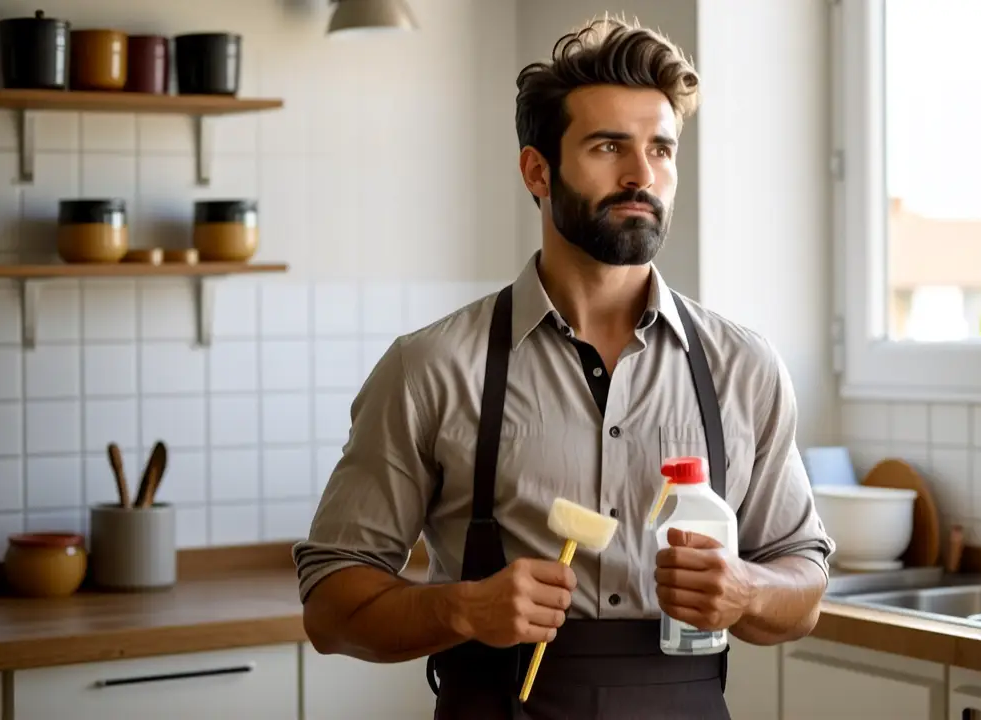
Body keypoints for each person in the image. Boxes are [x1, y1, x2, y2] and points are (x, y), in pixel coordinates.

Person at [294, 14, 834, 720]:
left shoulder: (745, 368)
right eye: (610, 146)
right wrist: (462, 609)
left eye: (661, 150)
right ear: (537, 170)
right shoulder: (431, 368)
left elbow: (805, 585)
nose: (643, 174)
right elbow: (333, 608)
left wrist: (748, 592)